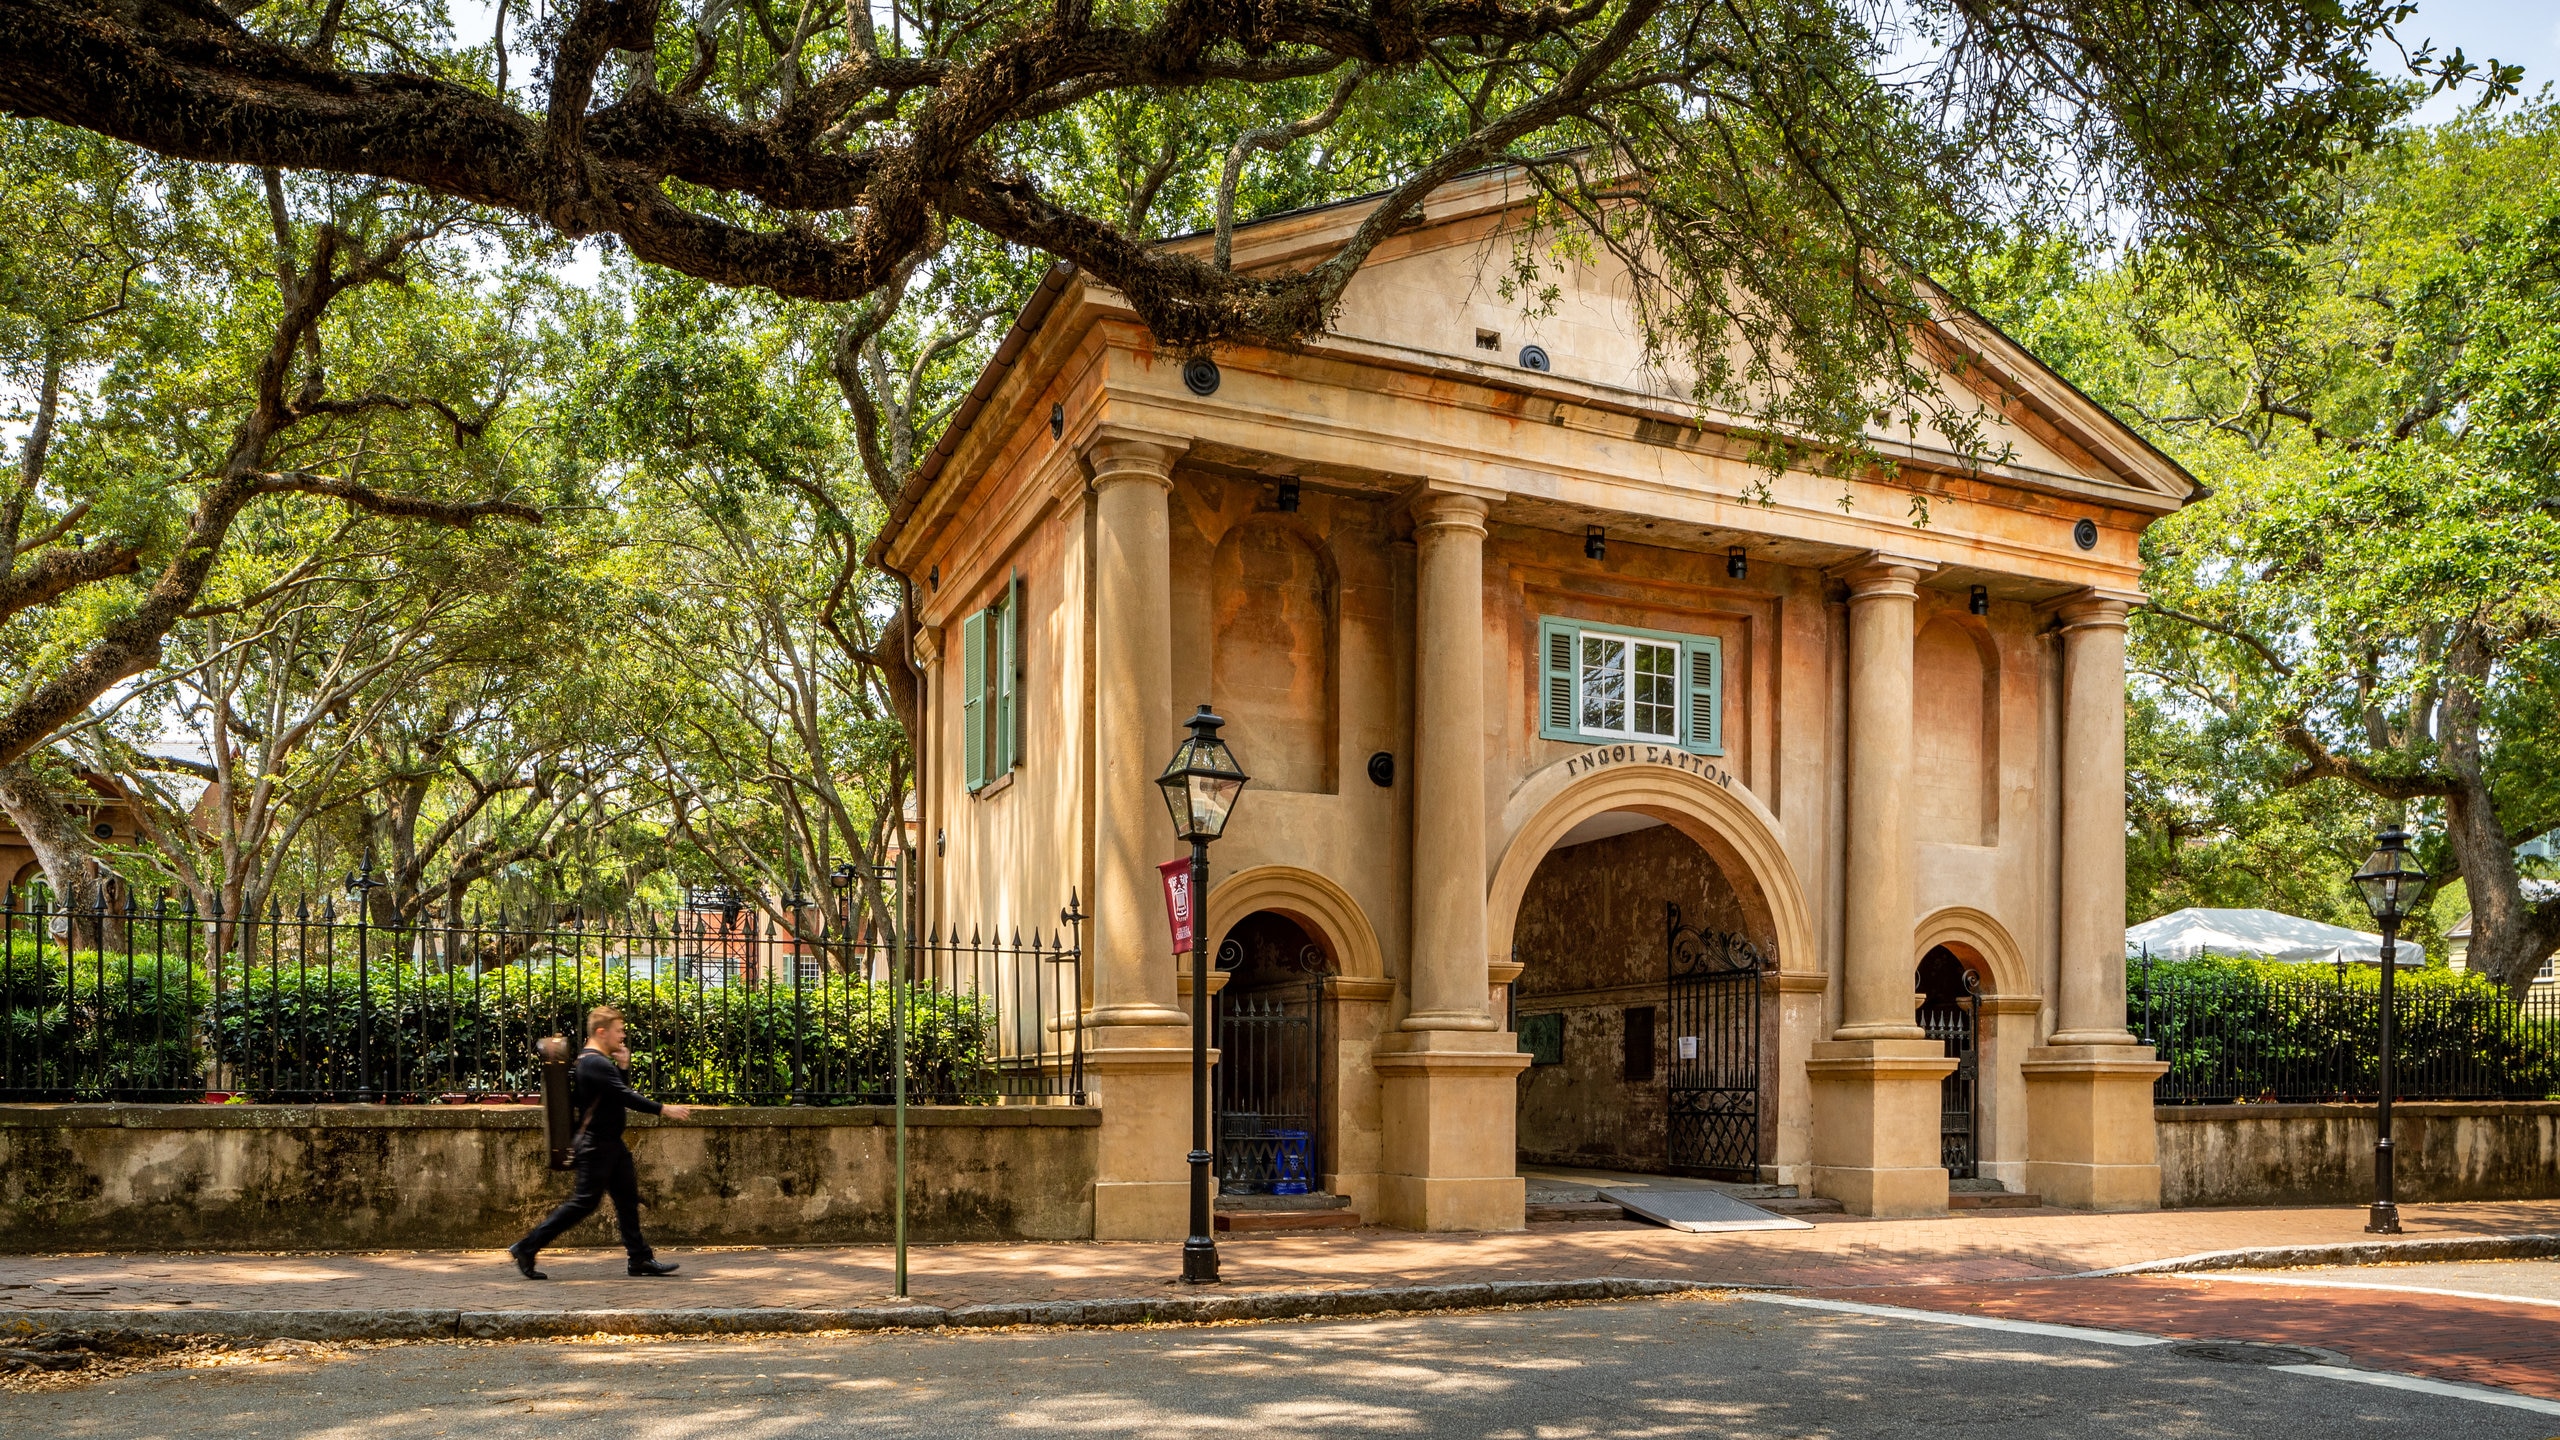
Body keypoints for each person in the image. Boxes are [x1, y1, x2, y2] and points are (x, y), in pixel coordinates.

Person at [509, 1005, 692, 1279]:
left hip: (611, 1145)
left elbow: (615, 1093)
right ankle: (527, 1246)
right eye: (619, 1031)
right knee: (583, 1203)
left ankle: (639, 1258)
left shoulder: (597, 1062)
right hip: (596, 1146)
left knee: (627, 1200)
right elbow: (624, 1094)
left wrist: (623, 1066)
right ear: (601, 1031)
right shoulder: (593, 1062)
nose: (622, 1037)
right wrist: (663, 1109)